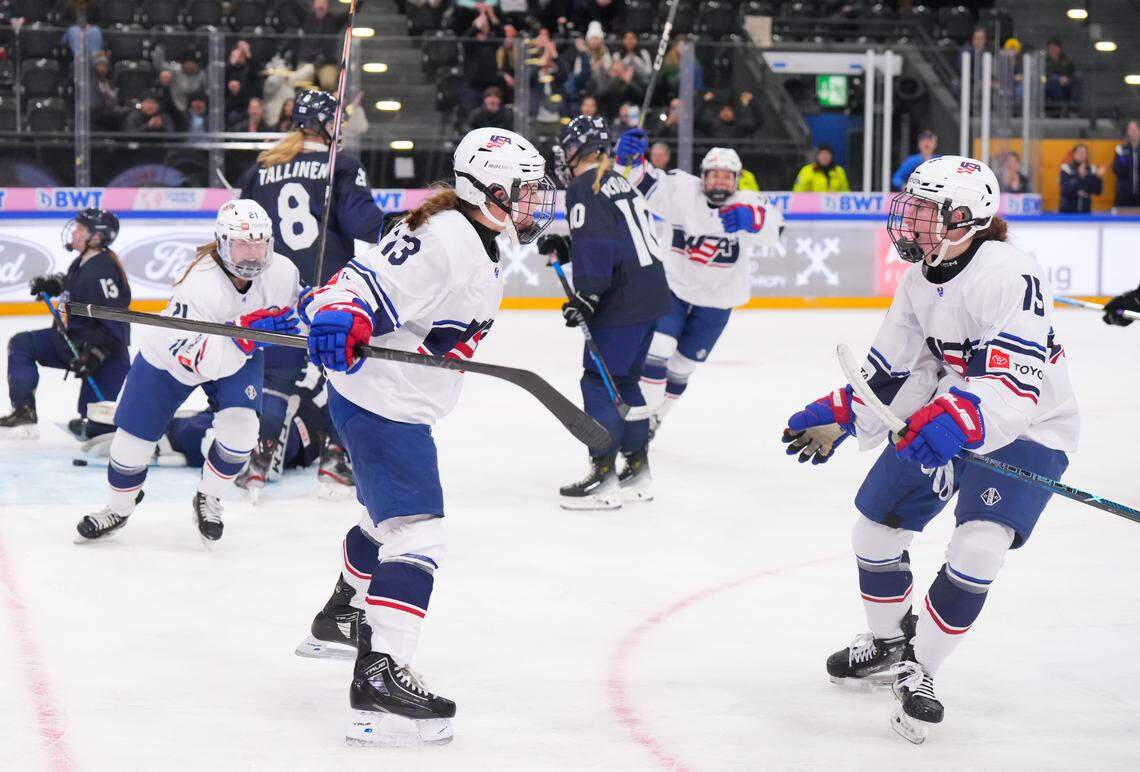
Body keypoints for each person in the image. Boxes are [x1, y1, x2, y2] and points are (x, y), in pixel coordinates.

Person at [781, 155, 1078, 744]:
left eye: (924, 209)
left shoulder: (1008, 273)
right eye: (912, 206)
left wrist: (955, 423)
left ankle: (923, 668)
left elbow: (1014, 388)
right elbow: (895, 370)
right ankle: (891, 641)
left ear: (966, 217)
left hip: (1029, 427)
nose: (910, 219)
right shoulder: (920, 278)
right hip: (953, 413)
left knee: (980, 545)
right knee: (874, 530)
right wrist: (845, 413)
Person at [295, 126, 556, 746]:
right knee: (418, 532)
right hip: (386, 405)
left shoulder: (471, 234)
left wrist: (336, 310)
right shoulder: (447, 238)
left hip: (386, 401)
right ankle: (380, 674)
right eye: (522, 192)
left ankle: (339, 615)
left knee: (380, 520)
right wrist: (340, 313)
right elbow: (366, 283)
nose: (533, 204)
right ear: (485, 189)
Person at [76, 200, 301, 543]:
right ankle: (118, 508)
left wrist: (321, 313)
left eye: (260, 244)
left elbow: (298, 310)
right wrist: (243, 334)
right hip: (174, 358)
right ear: (223, 243)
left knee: (242, 431)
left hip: (238, 351)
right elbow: (203, 360)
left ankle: (209, 496)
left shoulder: (282, 271)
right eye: (243, 245)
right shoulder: (198, 283)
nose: (253, 255)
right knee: (130, 446)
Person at [235, 90, 385, 494]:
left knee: (275, 378)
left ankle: (257, 465)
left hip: (273, 291)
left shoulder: (259, 170)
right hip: (329, 294)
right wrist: (409, 227)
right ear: (328, 126)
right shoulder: (342, 167)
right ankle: (335, 461)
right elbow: (364, 226)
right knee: (343, 375)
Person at [537, 116, 671, 509]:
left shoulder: (585, 185)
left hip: (620, 301)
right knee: (627, 383)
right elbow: (616, 236)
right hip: (650, 296)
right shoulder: (620, 180)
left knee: (598, 383)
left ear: (578, 149)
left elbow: (599, 245)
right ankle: (637, 468)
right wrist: (569, 246)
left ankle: (604, 475)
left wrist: (588, 296)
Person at [614, 130, 784, 436]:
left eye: (726, 176)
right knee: (658, 347)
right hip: (674, 289)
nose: (719, 181)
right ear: (702, 176)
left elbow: (775, 226)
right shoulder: (681, 190)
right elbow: (641, 182)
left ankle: (655, 418)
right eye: (713, 175)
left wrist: (754, 221)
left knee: (682, 367)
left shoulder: (749, 203)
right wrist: (629, 159)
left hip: (718, 301)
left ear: (737, 179)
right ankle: (639, 417)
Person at [1, 209, 131, 437]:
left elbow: (114, 322)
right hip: (74, 341)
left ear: (97, 237)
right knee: (22, 344)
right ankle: (24, 411)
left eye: (80, 229)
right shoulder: (84, 261)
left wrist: (94, 355)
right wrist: (56, 284)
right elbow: (75, 283)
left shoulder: (102, 271)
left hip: (105, 356)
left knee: (94, 426)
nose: (74, 232)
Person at [1059, 144, 1103, 214]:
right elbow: (1064, 190)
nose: (1081, 155)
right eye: (1079, 153)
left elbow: (1097, 191)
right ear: (1074, 154)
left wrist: (1098, 178)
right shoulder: (1066, 168)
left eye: (1084, 153)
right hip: (1068, 210)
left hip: (1085, 210)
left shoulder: (1091, 169)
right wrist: (1078, 176)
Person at [1112, 120, 1140, 208]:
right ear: (1127, 132)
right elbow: (1116, 169)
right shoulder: (1121, 150)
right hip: (1124, 195)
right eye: (1130, 130)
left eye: (1135, 129)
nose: (1133, 132)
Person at [1044, 39, 1079, 107]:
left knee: (1077, 82)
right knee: (1054, 83)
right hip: (1050, 85)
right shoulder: (1044, 62)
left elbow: (1073, 73)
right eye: (1050, 48)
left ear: (1059, 49)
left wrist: (1067, 79)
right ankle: (1059, 108)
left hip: (1066, 84)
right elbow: (1044, 75)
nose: (1053, 50)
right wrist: (1058, 79)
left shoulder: (1067, 61)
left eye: (1055, 48)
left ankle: (1074, 107)